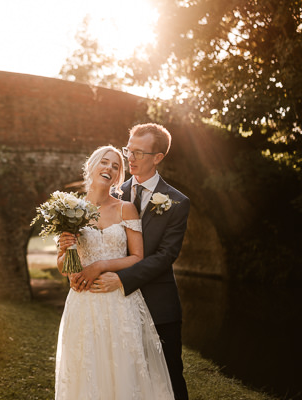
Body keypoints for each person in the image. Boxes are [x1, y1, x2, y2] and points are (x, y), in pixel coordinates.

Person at [55, 145, 174, 400]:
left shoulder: (125, 209)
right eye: (104, 162)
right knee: (86, 370)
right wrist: (65, 252)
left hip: (119, 301)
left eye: (116, 166)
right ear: (92, 166)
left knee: (123, 371)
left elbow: (137, 257)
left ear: (119, 176)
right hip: (83, 303)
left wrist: (100, 266)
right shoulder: (69, 209)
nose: (109, 168)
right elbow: (65, 266)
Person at [93, 123, 190, 400]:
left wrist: (121, 280)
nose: (130, 158)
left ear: (158, 157)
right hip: (117, 309)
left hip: (160, 307)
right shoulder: (114, 193)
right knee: (127, 379)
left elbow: (166, 256)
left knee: (168, 379)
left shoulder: (177, 202)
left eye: (139, 152)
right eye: (129, 150)